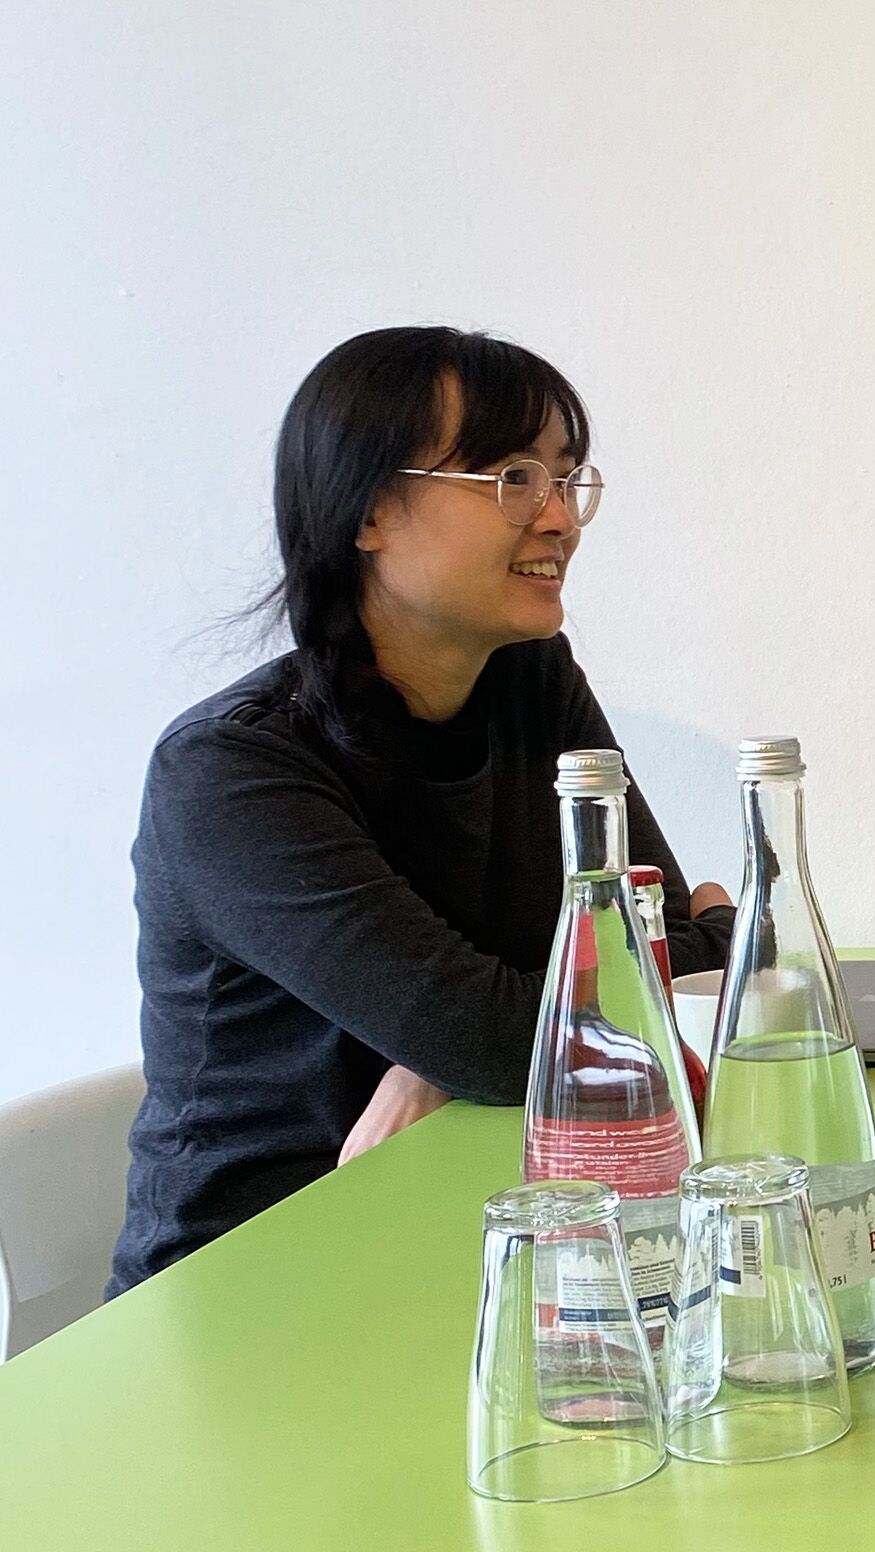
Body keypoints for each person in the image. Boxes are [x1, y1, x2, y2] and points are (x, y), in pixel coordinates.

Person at [112, 327, 733, 1293]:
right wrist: (473, 1043)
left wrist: (438, 1064)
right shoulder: (231, 773)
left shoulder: (530, 684)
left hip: (484, 1236)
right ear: (366, 510)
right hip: (260, 1287)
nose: (558, 517)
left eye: (567, 478)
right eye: (511, 478)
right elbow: (543, 1015)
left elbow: (669, 967)